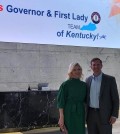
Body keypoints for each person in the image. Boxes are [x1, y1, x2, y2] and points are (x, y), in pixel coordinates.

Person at [86, 57, 119, 134]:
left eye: (98, 64)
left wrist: (114, 115)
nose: (96, 67)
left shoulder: (110, 79)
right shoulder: (88, 80)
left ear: (101, 66)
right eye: (94, 65)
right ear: (91, 67)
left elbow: (115, 99)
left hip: (105, 115)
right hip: (90, 114)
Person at [57, 62, 87, 134]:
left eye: (79, 69)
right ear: (71, 71)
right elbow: (61, 102)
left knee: (80, 131)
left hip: (80, 112)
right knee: (69, 131)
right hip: (68, 112)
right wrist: (61, 117)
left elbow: (86, 100)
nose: (77, 71)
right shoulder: (65, 84)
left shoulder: (84, 85)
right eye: (74, 69)